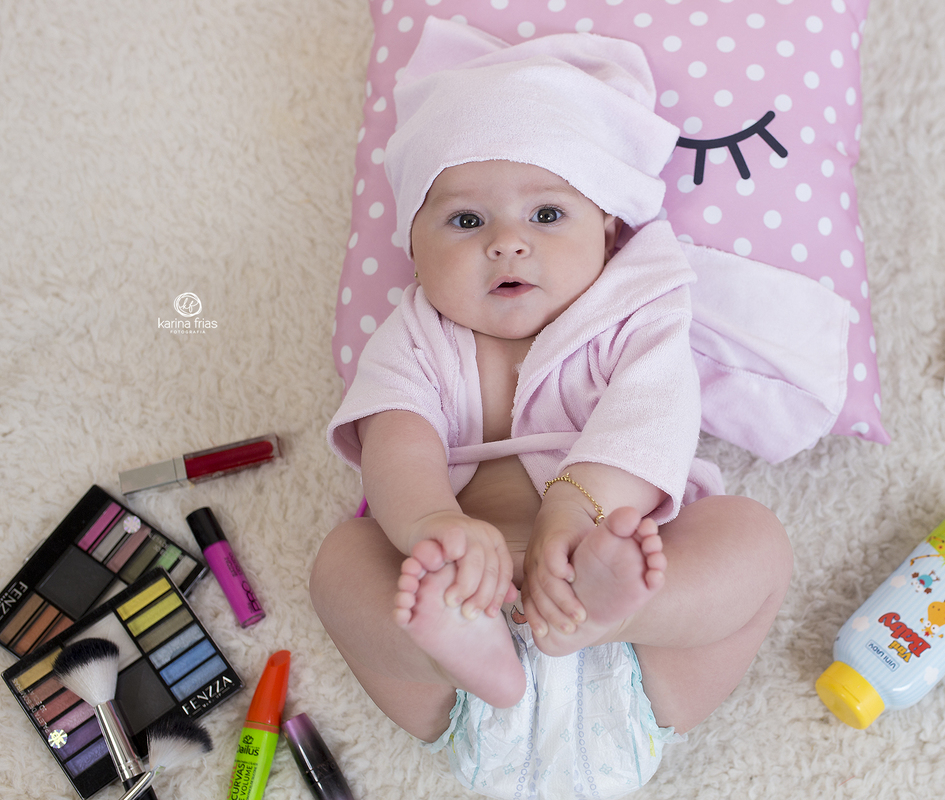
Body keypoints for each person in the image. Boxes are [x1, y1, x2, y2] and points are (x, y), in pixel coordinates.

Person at [310, 18, 796, 799]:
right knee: (341, 565)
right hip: (468, 627)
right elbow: (396, 442)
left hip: (629, 644)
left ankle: (616, 611)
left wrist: (577, 511)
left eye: (546, 215)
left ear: (608, 225)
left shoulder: (636, 309)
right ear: (414, 244)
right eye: (466, 221)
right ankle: (458, 654)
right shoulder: (417, 336)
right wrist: (435, 525)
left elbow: (654, 412)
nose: (507, 242)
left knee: (755, 542)